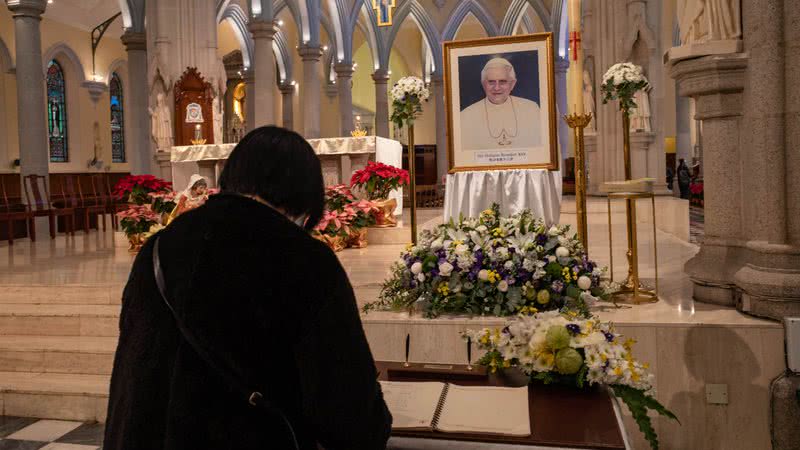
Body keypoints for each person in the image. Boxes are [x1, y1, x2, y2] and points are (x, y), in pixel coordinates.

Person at [104, 126, 392, 450]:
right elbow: (346, 406)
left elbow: (130, 371)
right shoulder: (305, 260)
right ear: (305, 196)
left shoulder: (156, 249)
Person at [460, 57, 541, 150]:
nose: (497, 88)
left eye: (502, 82)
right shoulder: (466, 116)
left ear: (512, 84)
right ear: (483, 84)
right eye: (491, 82)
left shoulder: (531, 109)